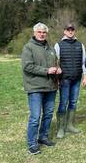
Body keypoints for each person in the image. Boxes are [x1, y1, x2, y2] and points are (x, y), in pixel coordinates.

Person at [21, 22, 61, 155]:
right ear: (34, 33)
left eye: (44, 32)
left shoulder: (50, 48)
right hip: (35, 87)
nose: (42, 34)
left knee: (48, 114)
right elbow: (27, 66)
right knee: (35, 117)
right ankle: (32, 144)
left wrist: (57, 69)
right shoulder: (28, 47)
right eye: (39, 32)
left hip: (50, 87)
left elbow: (55, 63)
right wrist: (47, 70)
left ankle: (43, 137)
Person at [54, 24, 86, 139]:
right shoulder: (59, 45)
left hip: (77, 79)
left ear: (74, 31)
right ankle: (61, 128)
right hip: (65, 79)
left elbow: (83, 62)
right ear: (64, 31)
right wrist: (56, 78)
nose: (70, 31)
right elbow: (55, 62)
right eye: (68, 30)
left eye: (72, 29)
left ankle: (70, 125)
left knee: (73, 102)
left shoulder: (80, 45)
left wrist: (85, 76)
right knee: (63, 103)